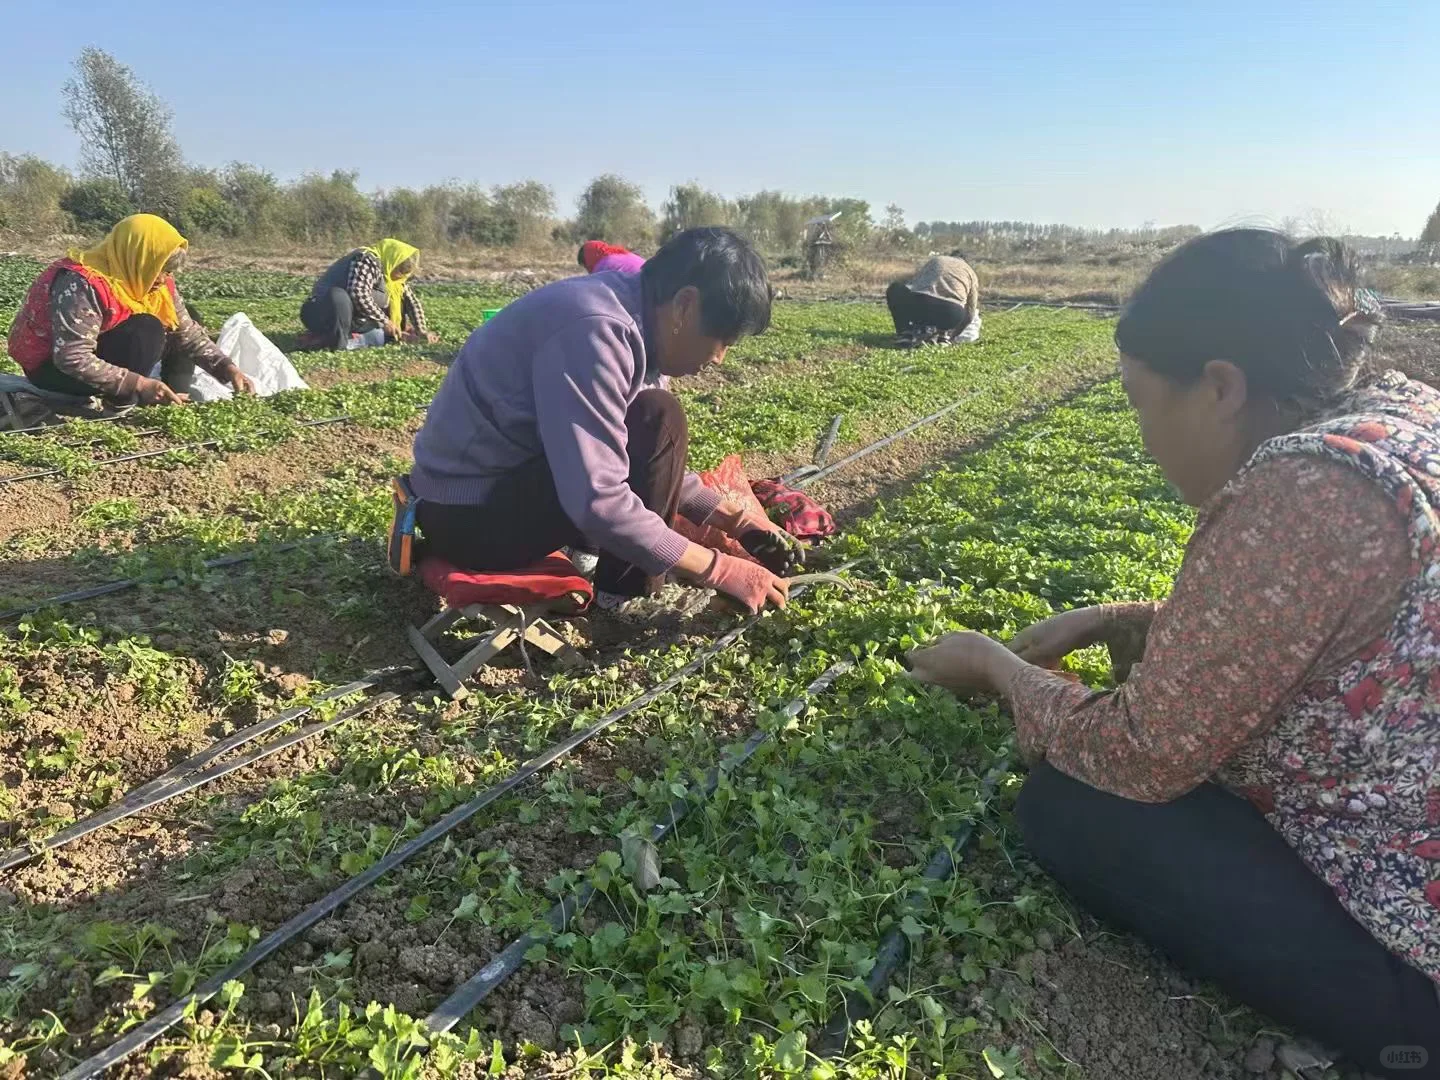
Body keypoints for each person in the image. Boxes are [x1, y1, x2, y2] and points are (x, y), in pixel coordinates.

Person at [906, 229, 1440, 1078]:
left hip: (1415, 928)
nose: (1143, 437)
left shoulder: (1300, 494)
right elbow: (1324, 625)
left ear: (1220, 386)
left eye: (1139, 400)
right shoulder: (1400, 416)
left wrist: (999, 671)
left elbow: (1139, 757)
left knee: (1070, 808)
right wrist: (1129, 617)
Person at [409, 227, 796, 616]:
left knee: (653, 415)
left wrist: (738, 522)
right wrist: (718, 568)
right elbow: (598, 499)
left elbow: (638, 450)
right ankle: (625, 599)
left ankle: (614, 572)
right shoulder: (596, 330)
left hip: (493, 495)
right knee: (659, 417)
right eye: (723, 340)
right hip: (468, 519)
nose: (719, 358)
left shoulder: (633, 315)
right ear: (685, 306)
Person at [6, 214, 255, 405]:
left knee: (180, 318)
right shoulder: (83, 282)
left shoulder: (154, 281)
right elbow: (71, 357)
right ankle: (122, 400)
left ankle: (175, 394)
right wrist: (137, 384)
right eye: (160, 268)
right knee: (146, 328)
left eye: (168, 270)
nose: (163, 278)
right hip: (54, 371)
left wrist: (226, 368)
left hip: (96, 355)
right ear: (138, 257)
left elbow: (187, 333)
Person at [298, 239, 439, 350]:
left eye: (404, 274)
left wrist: (421, 331)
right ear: (392, 261)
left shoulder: (391, 277)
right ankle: (339, 344)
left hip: (353, 318)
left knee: (395, 299)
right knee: (339, 295)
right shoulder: (366, 260)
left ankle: (388, 337)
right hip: (321, 312)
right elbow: (358, 293)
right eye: (399, 271)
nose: (400, 277)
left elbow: (411, 301)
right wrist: (385, 321)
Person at [885, 254, 981, 347]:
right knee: (952, 307)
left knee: (895, 288)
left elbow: (914, 285)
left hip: (920, 305)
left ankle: (905, 333)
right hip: (951, 313)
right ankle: (943, 336)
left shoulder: (936, 260)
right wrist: (954, 335)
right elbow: (970, 314)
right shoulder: (970, 272)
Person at [578, 240, 645, 275]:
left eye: (585, 266)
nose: (587, 271)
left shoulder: (602, 266)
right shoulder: (621, 254)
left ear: (589, 260)